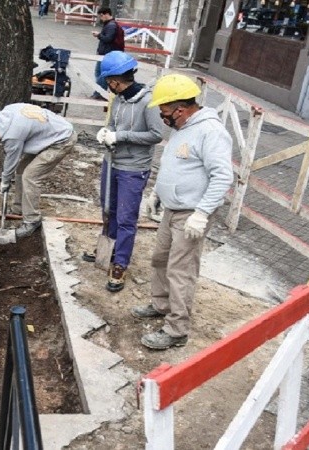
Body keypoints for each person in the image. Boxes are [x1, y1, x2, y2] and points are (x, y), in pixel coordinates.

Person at [130, 74, 233, 350]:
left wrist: (201, 213)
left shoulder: (210, 132)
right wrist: (157, 193)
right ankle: (162, 305)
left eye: (165, 113)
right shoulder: (182, 129)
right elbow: (173, 165)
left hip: (191, 213)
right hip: (172, 209)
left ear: (181, 109)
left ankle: (177, 330)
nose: (163, 118)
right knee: (160, 259)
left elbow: (223, 177)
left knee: (181, 270)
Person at [83, 51, 164, 293]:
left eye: (108, 82)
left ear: (115, 80)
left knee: (126, 218)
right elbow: (112, 124)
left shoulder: (148, 101)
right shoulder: (117, 99)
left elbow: (156, 135)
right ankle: (107, 247)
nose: (108, 86)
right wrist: (106, 132)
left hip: (133, 168)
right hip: (112, 161)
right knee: (108, 209)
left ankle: (120, 262)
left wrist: (121, 136)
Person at [0, 103, 78, 239]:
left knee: (30, 176)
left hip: (61, 140)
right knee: (21, 169)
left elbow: (11, 161)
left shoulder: (12, 134)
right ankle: (18, 208)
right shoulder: (6, 112)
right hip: (50, 134)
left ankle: (32, 220)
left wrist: (5, 181)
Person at [90, 7, 122, 100]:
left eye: (101, 16)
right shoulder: (110, 24)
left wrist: (98, 35)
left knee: (101, 74)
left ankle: (99, 92)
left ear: (106, 14)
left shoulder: (111, 25)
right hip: (105, 52)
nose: (101, 18)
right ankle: (101, 91)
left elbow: (108, 39)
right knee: (100, 73)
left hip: (107, 53)